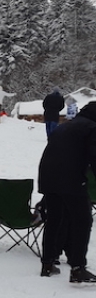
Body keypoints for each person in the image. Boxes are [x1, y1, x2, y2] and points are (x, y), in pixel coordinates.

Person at [37, 101, 96, 283]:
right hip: (71, 180)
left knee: (55, 219)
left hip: (48, 178)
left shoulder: (65, 127)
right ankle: (78, 268)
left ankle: (47, 263)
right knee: (83, 220)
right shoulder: (91, 128)